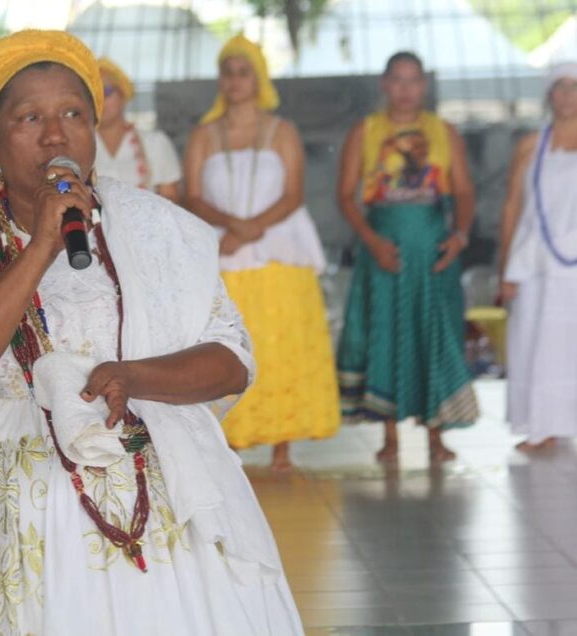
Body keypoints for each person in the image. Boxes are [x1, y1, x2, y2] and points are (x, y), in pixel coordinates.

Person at [0, 30, 301, 634]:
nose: (56, 134)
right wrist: (42, 246)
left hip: (157, 510)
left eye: (74, 112)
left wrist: (133, 377)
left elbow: (231, 361)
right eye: (30, 117)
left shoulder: (157, 228)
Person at [183, 34, 339, 471]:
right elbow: (192, 196)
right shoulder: (204, 134)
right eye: (228, 73)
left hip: (278, 249)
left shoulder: (282, 131)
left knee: (283, 340)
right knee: (228, 343)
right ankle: (229, 438)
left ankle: (283, 444)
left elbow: (293, 195)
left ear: (259, 79)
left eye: (243, 72)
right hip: (224, 252)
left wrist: (249, 229)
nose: (234, 81)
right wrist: (233, 227)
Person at [336, 51, 478, 463]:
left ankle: (437, 435)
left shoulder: (443, 132)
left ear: (425, 85)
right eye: (397, 80)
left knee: (433, 333)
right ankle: (390, 436)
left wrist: (460, 236)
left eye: (413, 80)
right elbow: (345, 196)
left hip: (434, 254)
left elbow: (465, 191)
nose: (405, 89)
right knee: (386, 332)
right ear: (384, 84)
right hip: (384, 253)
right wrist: (371, 240)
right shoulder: (365, 132)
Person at [499, 62, 577, 452]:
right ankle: (541, 424)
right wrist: (504, 267)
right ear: (550, 94)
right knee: (534, 337)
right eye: (560, 87)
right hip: (534, 257)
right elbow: (513, 204)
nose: (568, 95)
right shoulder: (531, 145)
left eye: (575, 87)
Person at [95, 57, 181, 200]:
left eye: (107, 91)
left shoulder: (155, 142)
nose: (100, 100)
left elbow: (170, 198)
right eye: (93, 94)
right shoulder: (75, 145)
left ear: (123, 95)